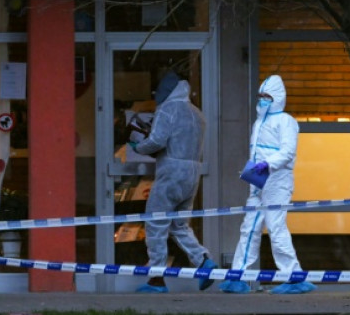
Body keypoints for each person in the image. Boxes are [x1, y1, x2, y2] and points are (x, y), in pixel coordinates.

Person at [219, 75, 316, 295]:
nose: (262, 100)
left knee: (275, 227)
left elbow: (288, 151)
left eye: (267, 96)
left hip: (277, 180)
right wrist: (255, 170)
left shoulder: (286, 121)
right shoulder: (259, 122)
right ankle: (238, 276)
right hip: (259, 180)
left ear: (277, 98)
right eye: (260, 96)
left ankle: (294, 277)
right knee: (249, 228)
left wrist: (267, 164)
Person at [130, 70, 218, 293]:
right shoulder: (197, 114)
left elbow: (157, 141)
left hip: (170, 173)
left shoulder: (168, 109)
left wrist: (138, 147)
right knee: (179, 225)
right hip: (191, 174)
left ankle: (156, 279)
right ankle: (203, 260)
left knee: (155, 224)